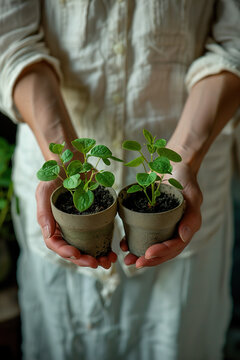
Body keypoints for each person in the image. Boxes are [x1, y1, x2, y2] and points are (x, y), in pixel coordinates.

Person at [0, 1, 240, 359]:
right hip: (49, 149)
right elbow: (11, 36)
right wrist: (62, 154)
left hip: (198, 172)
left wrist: (186, 153)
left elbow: (235, 41)